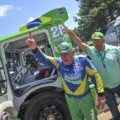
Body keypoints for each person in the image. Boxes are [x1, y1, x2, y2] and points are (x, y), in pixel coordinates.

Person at [26, 36, 104, 120]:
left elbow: (95, 75)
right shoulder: (59, 62)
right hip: (71, 100)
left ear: (72, 52)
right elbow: (45, 59)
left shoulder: (83, 61)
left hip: (85, 99)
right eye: (61, 54)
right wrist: (34, 48)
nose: (63, 56)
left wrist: (100, 95)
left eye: (66, 53)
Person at [63, 26, 120, 120]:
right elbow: (80, 43)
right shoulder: (92, 51)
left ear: (103, 40)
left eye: (98, 41)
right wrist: (70, 33)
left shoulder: (115, 50)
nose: (95, 43)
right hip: (105, 87)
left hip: (118, 83)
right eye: (94, 41)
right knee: (113, 109)